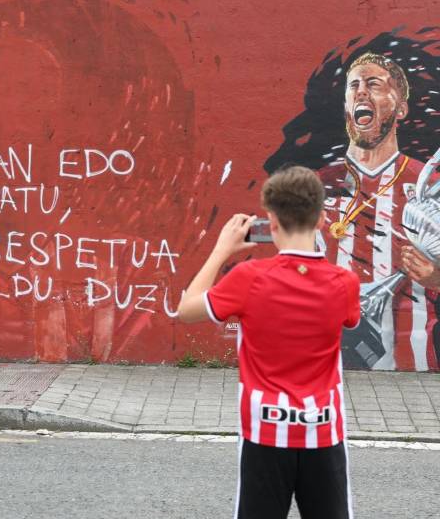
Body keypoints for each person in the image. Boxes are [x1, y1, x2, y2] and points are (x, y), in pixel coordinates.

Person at [177, 166, 359, 519]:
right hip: (322, 430)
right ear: (322, 219)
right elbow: (350, 318)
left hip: (265, 431)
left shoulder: (248, 279)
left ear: (271, 221)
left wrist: (220, 252)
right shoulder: (344, 283)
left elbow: (186, 310)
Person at [319, 52, 439, 371]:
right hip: (324, 361)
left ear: (400, 108)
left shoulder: (429, 184)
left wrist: (436, 276)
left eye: (373, 84)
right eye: (354, 85)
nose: (361, 91)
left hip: (411, 370)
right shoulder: (317, 185)